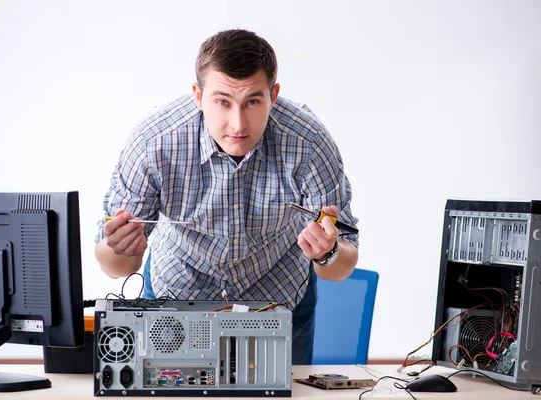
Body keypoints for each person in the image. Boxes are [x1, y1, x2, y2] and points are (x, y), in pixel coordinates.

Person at [95, 29, 359, 365]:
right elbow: (117, 266)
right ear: (197, 95)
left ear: (273, 95)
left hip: (279, 296)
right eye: (222, 102)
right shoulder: (153, 143)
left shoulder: (309, 144)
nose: (237, 123)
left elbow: (340, 267)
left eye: (252, 101)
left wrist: (329, 252)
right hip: (176, 293)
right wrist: (120, 248)